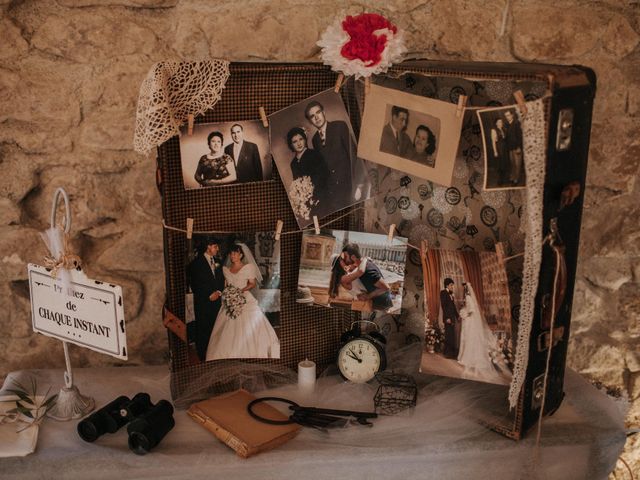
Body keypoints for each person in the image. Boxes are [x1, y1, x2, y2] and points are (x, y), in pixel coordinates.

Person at [206, 244, 280, 360]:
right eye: (231, 253)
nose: (232, 255)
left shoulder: (248, 267)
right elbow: (226, 284)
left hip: (245, 298)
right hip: (230, 299)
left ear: (241, 255)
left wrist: (240, 291)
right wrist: (227, 293)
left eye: (235, 253)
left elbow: (252, 283)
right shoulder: (226, 269)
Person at [304, 100, 363, 205]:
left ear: (324, 112)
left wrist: (359, 185)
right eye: (312, 116)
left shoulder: (340, 126)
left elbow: (354, 155)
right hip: (333, 192)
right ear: (310, 121)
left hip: (351, 185)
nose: (316, 117)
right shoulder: (315, 140)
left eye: (318, 112)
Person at [187, 237, 225, 362]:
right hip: (203, 302)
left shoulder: (219, 261)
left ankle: (215, 354)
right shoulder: (195, 264)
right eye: (215, 246)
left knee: (216, 328)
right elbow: (195, 284)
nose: (217, 249)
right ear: (208, 246)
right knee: (204, 329)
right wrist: (209, 295)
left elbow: (221, 280)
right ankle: (203, 357)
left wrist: (219, 292)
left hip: (217, 301)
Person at [286, 127, 331, 218]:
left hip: (321, 196)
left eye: (301, 139)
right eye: (295, 142)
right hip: (307, 201)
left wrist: (310, 190)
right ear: (291, 145)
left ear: (305, 139)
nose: (299, 143)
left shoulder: (314, 154)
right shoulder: (293, 163)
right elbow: (297, 182)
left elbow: (324, 175)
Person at [457, 283, 500, 371]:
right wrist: (464, 311)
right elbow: (468, 308)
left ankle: (470, 359)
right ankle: (467, 357)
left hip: (470, 321)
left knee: (470, 339)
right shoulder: (467, 297)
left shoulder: (468, 297)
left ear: (467, 289)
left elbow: (472, 310)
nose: (463, 290)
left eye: (464, 289)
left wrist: (465, 314)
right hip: (468, 321)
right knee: (468, 339)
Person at [341, 243, 392, 310]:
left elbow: (386, 288)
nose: (344, 259)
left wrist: (368, 296)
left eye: (345, 256)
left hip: (381, 305)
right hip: (377, 303)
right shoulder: (362, 265)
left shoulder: (368, 270)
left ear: (353, 257)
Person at [439, 278, 460, 359]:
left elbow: (453, 306)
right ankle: (448, 353)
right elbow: (444, 306)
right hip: (448, 318)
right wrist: (447, 318)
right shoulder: (443, 293)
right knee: (448, 335)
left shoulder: (451, 293)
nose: (452, 287)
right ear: (447, 285)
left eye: (452, 285)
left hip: (452, 317)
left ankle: (450, 352)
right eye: (451, 285)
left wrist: (457, 316)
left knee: (452, 335)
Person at [504, 110, 523, 185]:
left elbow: (520, 136)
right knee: (512, 163)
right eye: (506, 116)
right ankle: (513, 177)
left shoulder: (517, 123)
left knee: (517, 164)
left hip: (516, 147)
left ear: (512, 115)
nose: (507, 117)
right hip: (510, 147)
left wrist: (519, 147)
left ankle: (516, 179)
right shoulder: (507, 125)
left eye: (508, 115)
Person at [490, 118, 508, 185]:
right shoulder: (494, 130)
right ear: (496, 123)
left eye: (501, 122)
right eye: (499, 122)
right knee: (500, 164)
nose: (501, 123)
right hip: (499, 148)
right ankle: (500, 180)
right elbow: (493, 142)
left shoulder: (503, 129)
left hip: (505, 148)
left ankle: (504, 179)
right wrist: (495, 151)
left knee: (504, 164)